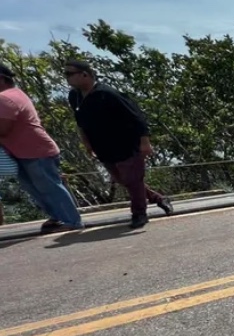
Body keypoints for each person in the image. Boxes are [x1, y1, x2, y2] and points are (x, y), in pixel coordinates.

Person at [64, 59, 172, 229]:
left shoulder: (107, 94)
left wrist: (145, 142)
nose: (67, 78)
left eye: (69, 74)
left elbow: (136, 117)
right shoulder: (75, 97)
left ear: (85, 74)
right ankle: (158, 198)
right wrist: (87, 144)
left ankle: (139, 213)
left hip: (126, 144)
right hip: (103, 147)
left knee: (134, 180)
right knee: (123, 180)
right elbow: (81, 123)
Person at [0, 62, 85, 233]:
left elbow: (3, 128)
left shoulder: (5, 98)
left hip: (35, 151)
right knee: (35, 189)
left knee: (50, 187)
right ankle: (57, 217)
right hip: (24, 152)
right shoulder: (16, 94)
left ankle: (72, 221)